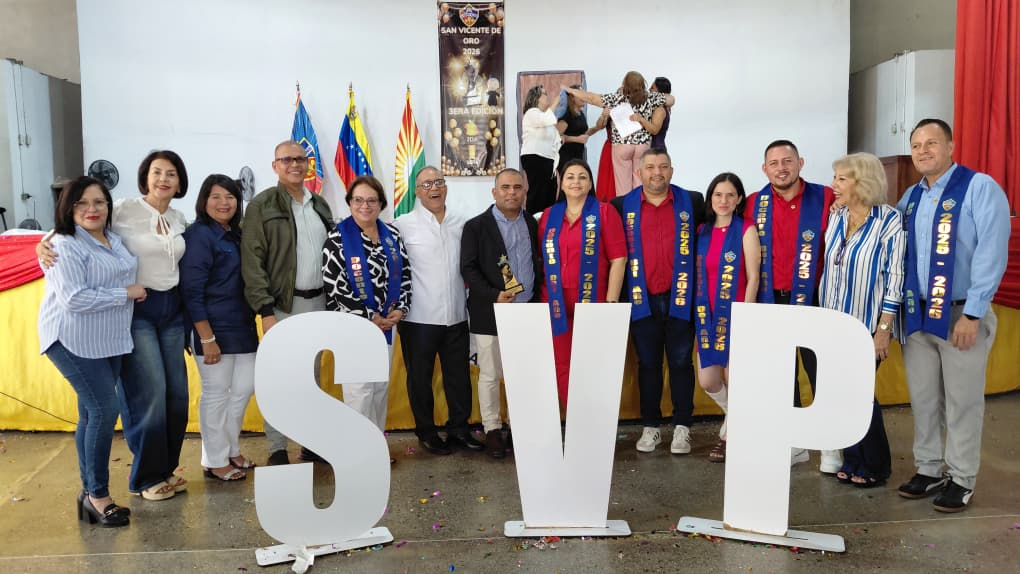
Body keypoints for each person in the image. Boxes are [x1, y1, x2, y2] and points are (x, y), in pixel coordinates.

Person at [38, 151, 192, 500]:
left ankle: (166, 468)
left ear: (180, 182)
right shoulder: (122, 208)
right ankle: (145, 478)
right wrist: (41, 244)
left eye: (171, 173)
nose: (163, 179)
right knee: (148, 394)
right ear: (145, 177)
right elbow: (72, 224)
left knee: (177, 395)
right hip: (136, 309)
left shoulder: (181, 218)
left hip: (171, 310)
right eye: (156, 172)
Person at [895, 119, 1011, 512]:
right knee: (924, 399)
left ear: (950, 146)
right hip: (918, 316)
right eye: (916, 145)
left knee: (962, 401)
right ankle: (929, 468)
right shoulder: (909, 197)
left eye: (932, 143)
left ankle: (961, 478)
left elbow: (991, 253)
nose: (923, 150)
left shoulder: (980, 188)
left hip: (961, 314)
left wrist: (974, 313)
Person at [38, 176, 146, 527]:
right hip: (70, 338)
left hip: (109, 338)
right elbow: (74, 299)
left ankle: (88, 494)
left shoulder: (113, 238)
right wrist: (126, 293)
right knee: (104, 409)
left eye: (99, 202)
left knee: (90, 413)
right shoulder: (64, 244)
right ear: (68, 208)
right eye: (82, 203)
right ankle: (99, 495)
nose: (91, 209)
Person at [743, 139, 838, 470]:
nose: (781, 167)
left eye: (787, 161)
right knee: (782, 374)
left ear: (801, 162)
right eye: (774, 162)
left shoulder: (826, 197)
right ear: (764, 168)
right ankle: (795, 441)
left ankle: (829, 443)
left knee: (818, 371)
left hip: (814, 298)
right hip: (771, 298)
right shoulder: (753, 203)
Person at [241, 140, 334, 466]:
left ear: (308, 165)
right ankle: (277, 448)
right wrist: (265, 310)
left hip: (319, 304)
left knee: (312, 379)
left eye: (300, 159)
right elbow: (251, 261)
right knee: (280, 380)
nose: (295, 164)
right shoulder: (262, 206)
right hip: (282, 307)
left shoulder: (320, 204)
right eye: (287, 160)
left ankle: (311, 443)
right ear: (275, 166)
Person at [610, 149, 705, 455]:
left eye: (663, 166)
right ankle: (650, 427)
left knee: (680, 363)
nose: (657, 172)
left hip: (681, 298)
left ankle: (682, 428)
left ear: (672, 171)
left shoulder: (692, 202)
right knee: (648, 365)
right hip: (642, 301)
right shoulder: (622, 205)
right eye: (650, 167)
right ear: (639, 172)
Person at [818, 153, 905, 486]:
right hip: (833, 325)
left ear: (863, 181)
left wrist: (883, 331)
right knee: (840, 393)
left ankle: (877, 464)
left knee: (859, 393)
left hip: (866, 326)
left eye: (841, 178)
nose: (833, 185)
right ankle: (854, 458)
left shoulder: (889, 221)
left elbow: (895, 277)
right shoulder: (837, 217)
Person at [392, 167, 484, 456]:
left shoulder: (463, 222)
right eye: (426, 184)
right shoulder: (401, 225)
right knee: (419, 378)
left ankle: (459, 429)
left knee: (458, 377)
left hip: (456, 314)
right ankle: (427, 432)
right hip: (418, 318)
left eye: (439, 182)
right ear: (417, 191)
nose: (434, 187)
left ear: (446, 187)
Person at [461, 168, 544, 458]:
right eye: (505, 187)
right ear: (494, 192)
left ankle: (519, 426)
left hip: (527, 311)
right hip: (490, 312)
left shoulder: (533, 224)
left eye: (517, 187)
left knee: (522, 373)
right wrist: (493, 294)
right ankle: (493, 428)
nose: (511, 192)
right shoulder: (476, 226)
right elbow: (468, 268)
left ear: (525, 191)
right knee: (490, 374)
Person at [180, 175, 258, 481]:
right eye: (216, 196)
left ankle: (231, 449)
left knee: (242, 390)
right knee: (216, 394)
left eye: (230, 197)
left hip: (242, 326)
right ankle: (214, 460)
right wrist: (206, 337)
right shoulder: (198, 236)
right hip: (212, 329)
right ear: (203, 200)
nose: (224, 203)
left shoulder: (236, 235)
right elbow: (191, 291)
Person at [322, 175, 412, 432]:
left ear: (381, 203)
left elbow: (405, 273)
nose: (365, 205)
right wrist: (369, 315)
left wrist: (400, 308)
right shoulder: (337, 238)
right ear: (349, 203)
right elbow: (335, 286)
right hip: (353, 327)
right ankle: (359, 452)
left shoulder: (392, 233)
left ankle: (375, 446)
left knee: (379, 388)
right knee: (359, 391)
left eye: (372, 200)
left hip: (386, 327)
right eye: (358, 200)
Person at [538, 159, 627, 407]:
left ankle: (593, 419)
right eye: (570, 177)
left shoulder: (605, 212)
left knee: (592, 361)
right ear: (561, 182)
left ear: (590, 183)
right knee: (561, 362)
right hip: (555, 301)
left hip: (594, 299)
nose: (576, 181)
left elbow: (619, 259)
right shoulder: (548, 216)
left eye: (582, 177)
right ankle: (574, 415)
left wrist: (611, 301)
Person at [693, 172, 760, 462]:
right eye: (718, 195)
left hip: (736, 315)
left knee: (735, 378)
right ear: (711, 198)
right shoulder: (701, 231)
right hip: (706, 317)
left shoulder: (746, 229)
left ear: (739, 199)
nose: (724, 200)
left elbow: (754, 276)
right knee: (708, 380)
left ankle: (729, 438)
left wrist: (746, 317)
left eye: (730, 195)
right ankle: (737, 418)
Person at [564, 72, 675, 196]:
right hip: (643, 146)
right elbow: (671, 99)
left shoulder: (617, 98)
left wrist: (570, 90)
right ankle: (638, 210)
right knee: (640, 182)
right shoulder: (650, 97)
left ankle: (626, 211)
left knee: (623, 185)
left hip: (622, 145)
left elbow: (591, 98)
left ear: (625, 85)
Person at [521, 85, 562, 215]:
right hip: (535, 157)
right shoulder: (532, 113)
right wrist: (556, 102)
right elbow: (545, 120)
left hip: (548, 160)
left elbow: (554, 138)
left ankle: (546, 225)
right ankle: (533, 224)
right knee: (538, 194)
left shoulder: (545, 116)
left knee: (549, 195)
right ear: (537, 98)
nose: (547, 97)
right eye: (544, 94)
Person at [556, 84, 607, 166]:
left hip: (578, 155)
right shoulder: (567, 114)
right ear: (572, 97)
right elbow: (557, 136)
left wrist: (598, 127)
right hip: (566, 157)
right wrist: (577, 139)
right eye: (580, 94)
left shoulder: (581, 114)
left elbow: (585, 133)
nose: (583, 97)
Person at [649, 77, 672, 152]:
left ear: (660, 92)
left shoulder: (660, 110)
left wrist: (641, 119)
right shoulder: (662, 107)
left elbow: (654, 130)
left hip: (656, 150)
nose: (649, 89)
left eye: (652, 88)